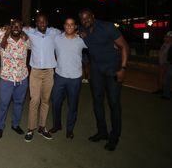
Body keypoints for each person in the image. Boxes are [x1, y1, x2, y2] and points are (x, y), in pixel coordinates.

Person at [78, 8, 129, 151]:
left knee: (113, 103)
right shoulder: (83, 30)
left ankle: (114, 136)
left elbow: (124, 46)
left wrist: (123, 68)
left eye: (87, 18)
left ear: (93, 16)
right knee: (97, 102)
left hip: (113, 69)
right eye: (82, 19)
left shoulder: (108, 27)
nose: (85, 20)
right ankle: (102, 132)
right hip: (96, 71)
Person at [23, 13, 61, 142]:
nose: (42, 24)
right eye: (39, 22)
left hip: (49, 72)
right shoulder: (31, 32)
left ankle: (42, 127)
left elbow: (67, 32)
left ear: (47, 22)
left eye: (44, 21)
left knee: (45, 100)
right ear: (36, 23)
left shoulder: (54, 32)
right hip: (35, 72)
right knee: (35, 100)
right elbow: (15, 27)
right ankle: (30, 128)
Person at [49, 17, 87, 139]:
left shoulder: (81, 40)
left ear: (76, 26)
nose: (69, 26)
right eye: (67, 24)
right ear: (64, 26)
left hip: (75, 78)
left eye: (72, 24)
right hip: (60, 76)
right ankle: (57, 125)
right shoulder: (57, 39)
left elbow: (95, 45)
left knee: (73, 105)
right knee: (55, 102)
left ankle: (70, 129)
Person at [0, 19, 30, 139]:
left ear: (22, 28)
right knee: (3, 103)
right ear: (10, 26)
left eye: (19, 26)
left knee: (19, 103)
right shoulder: (2, 38)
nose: (16, 27)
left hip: (22, 78)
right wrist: (5, 32)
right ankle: (0, 126)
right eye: (13, 25)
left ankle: (15, 125)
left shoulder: (26, 40)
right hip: (6, 78)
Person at [161, 31, 172, 99]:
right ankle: (166, 94)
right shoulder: (165, 44)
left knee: (167, 79)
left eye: (168, 37)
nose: (166, 38)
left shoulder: (169, 45)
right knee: (166, 79)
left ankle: (167, 94)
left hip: (169, 64)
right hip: (168, 63)